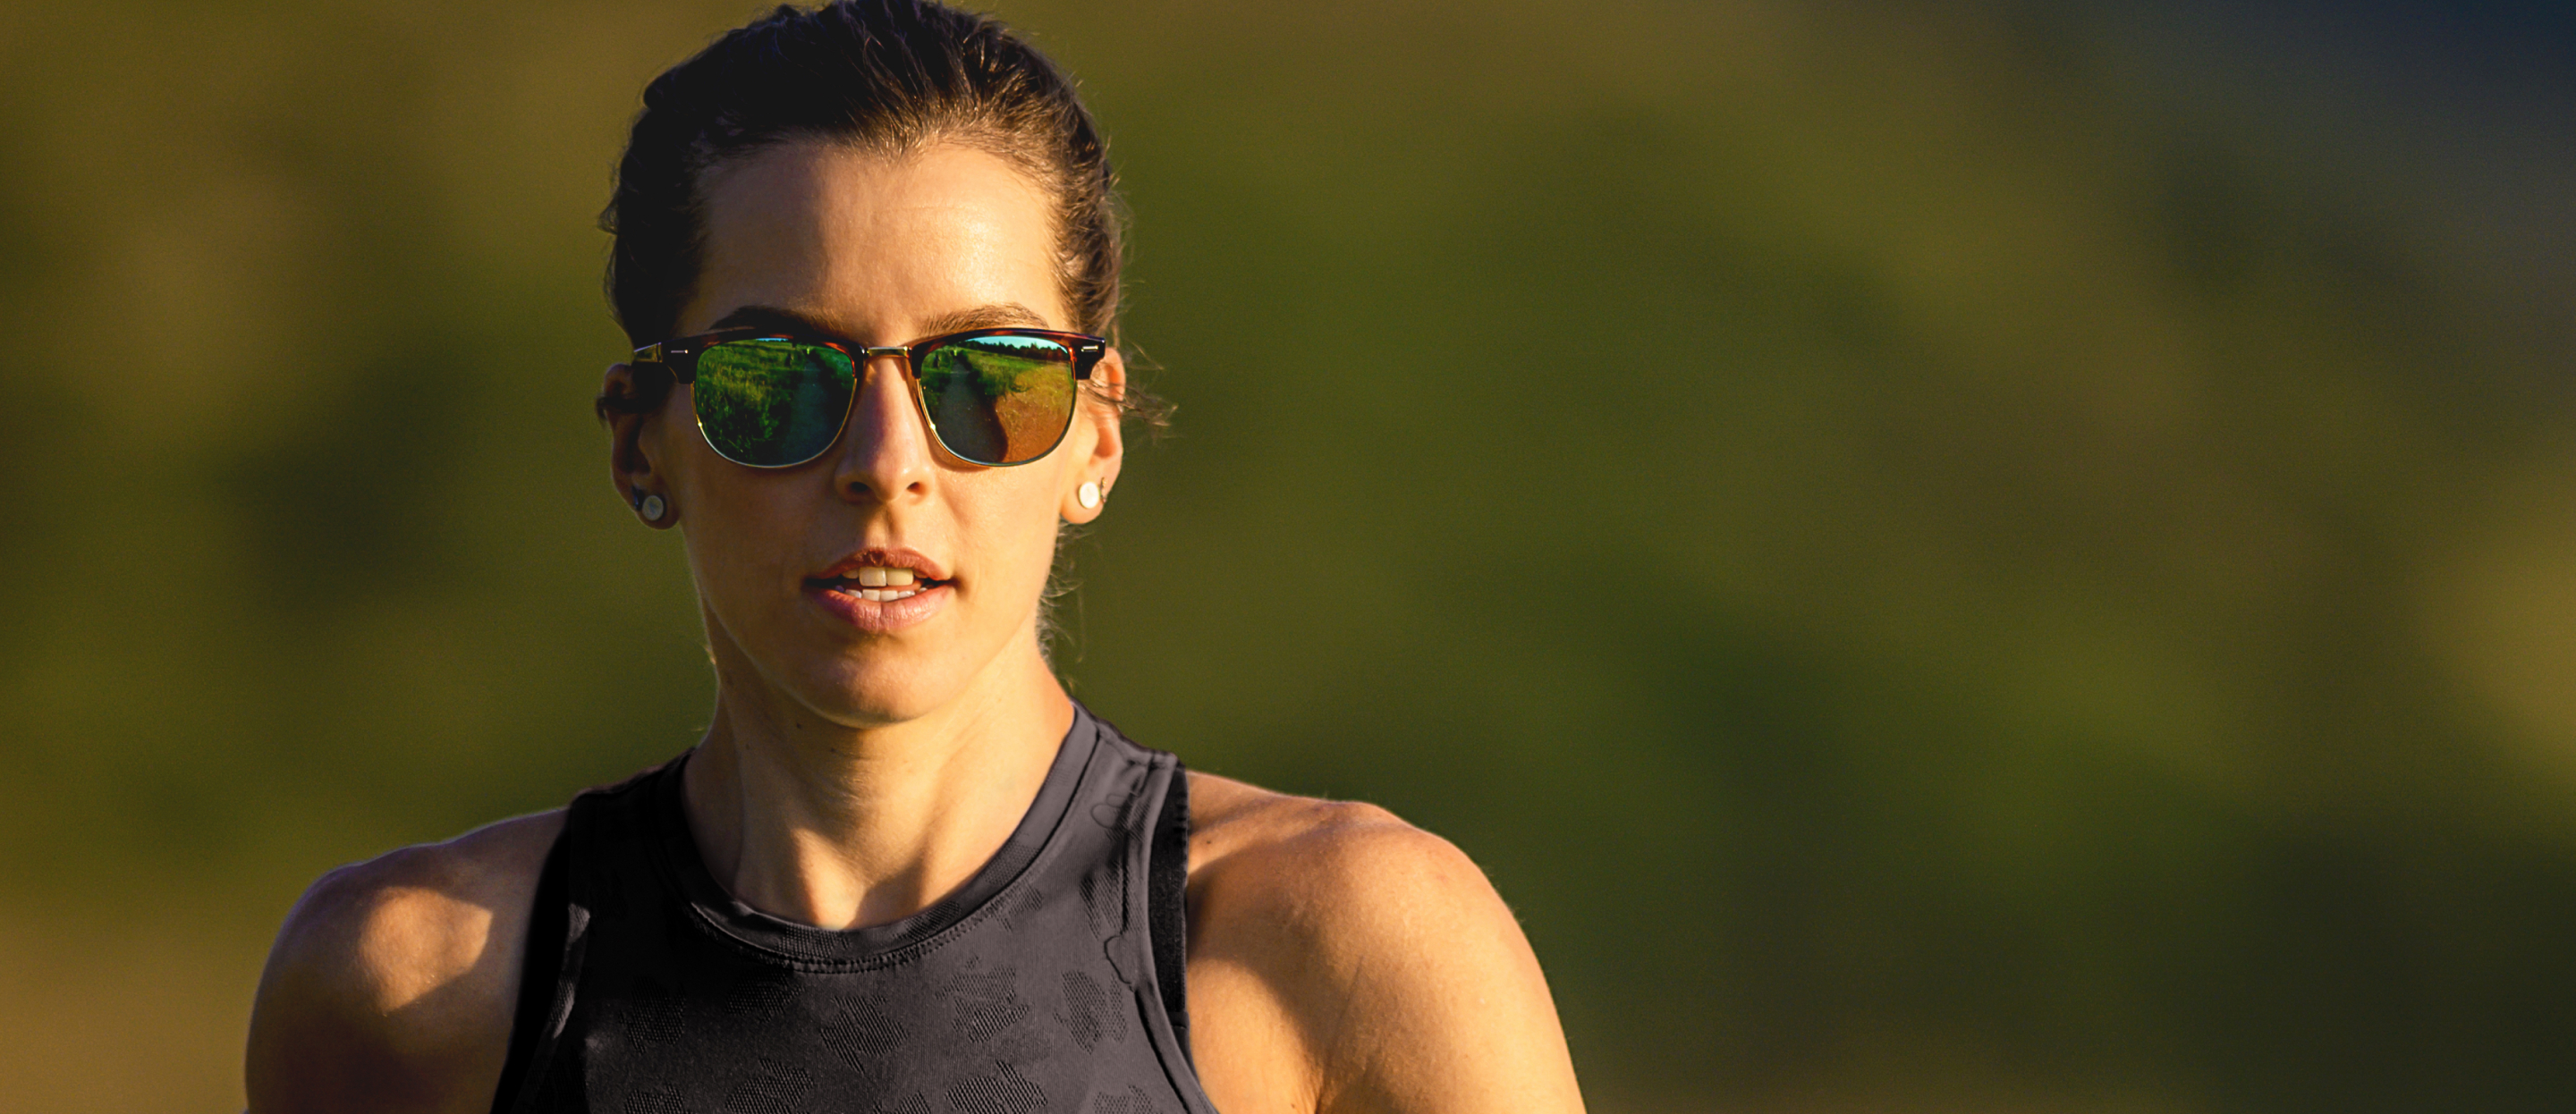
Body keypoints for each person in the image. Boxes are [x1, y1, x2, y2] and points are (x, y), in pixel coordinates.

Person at [244, 3, 1587, 1111]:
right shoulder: (405, 998)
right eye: (779, 380)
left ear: (1094, 438)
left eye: (986, 377)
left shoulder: (1346, 951)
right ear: (639, 443)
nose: (887, 461)